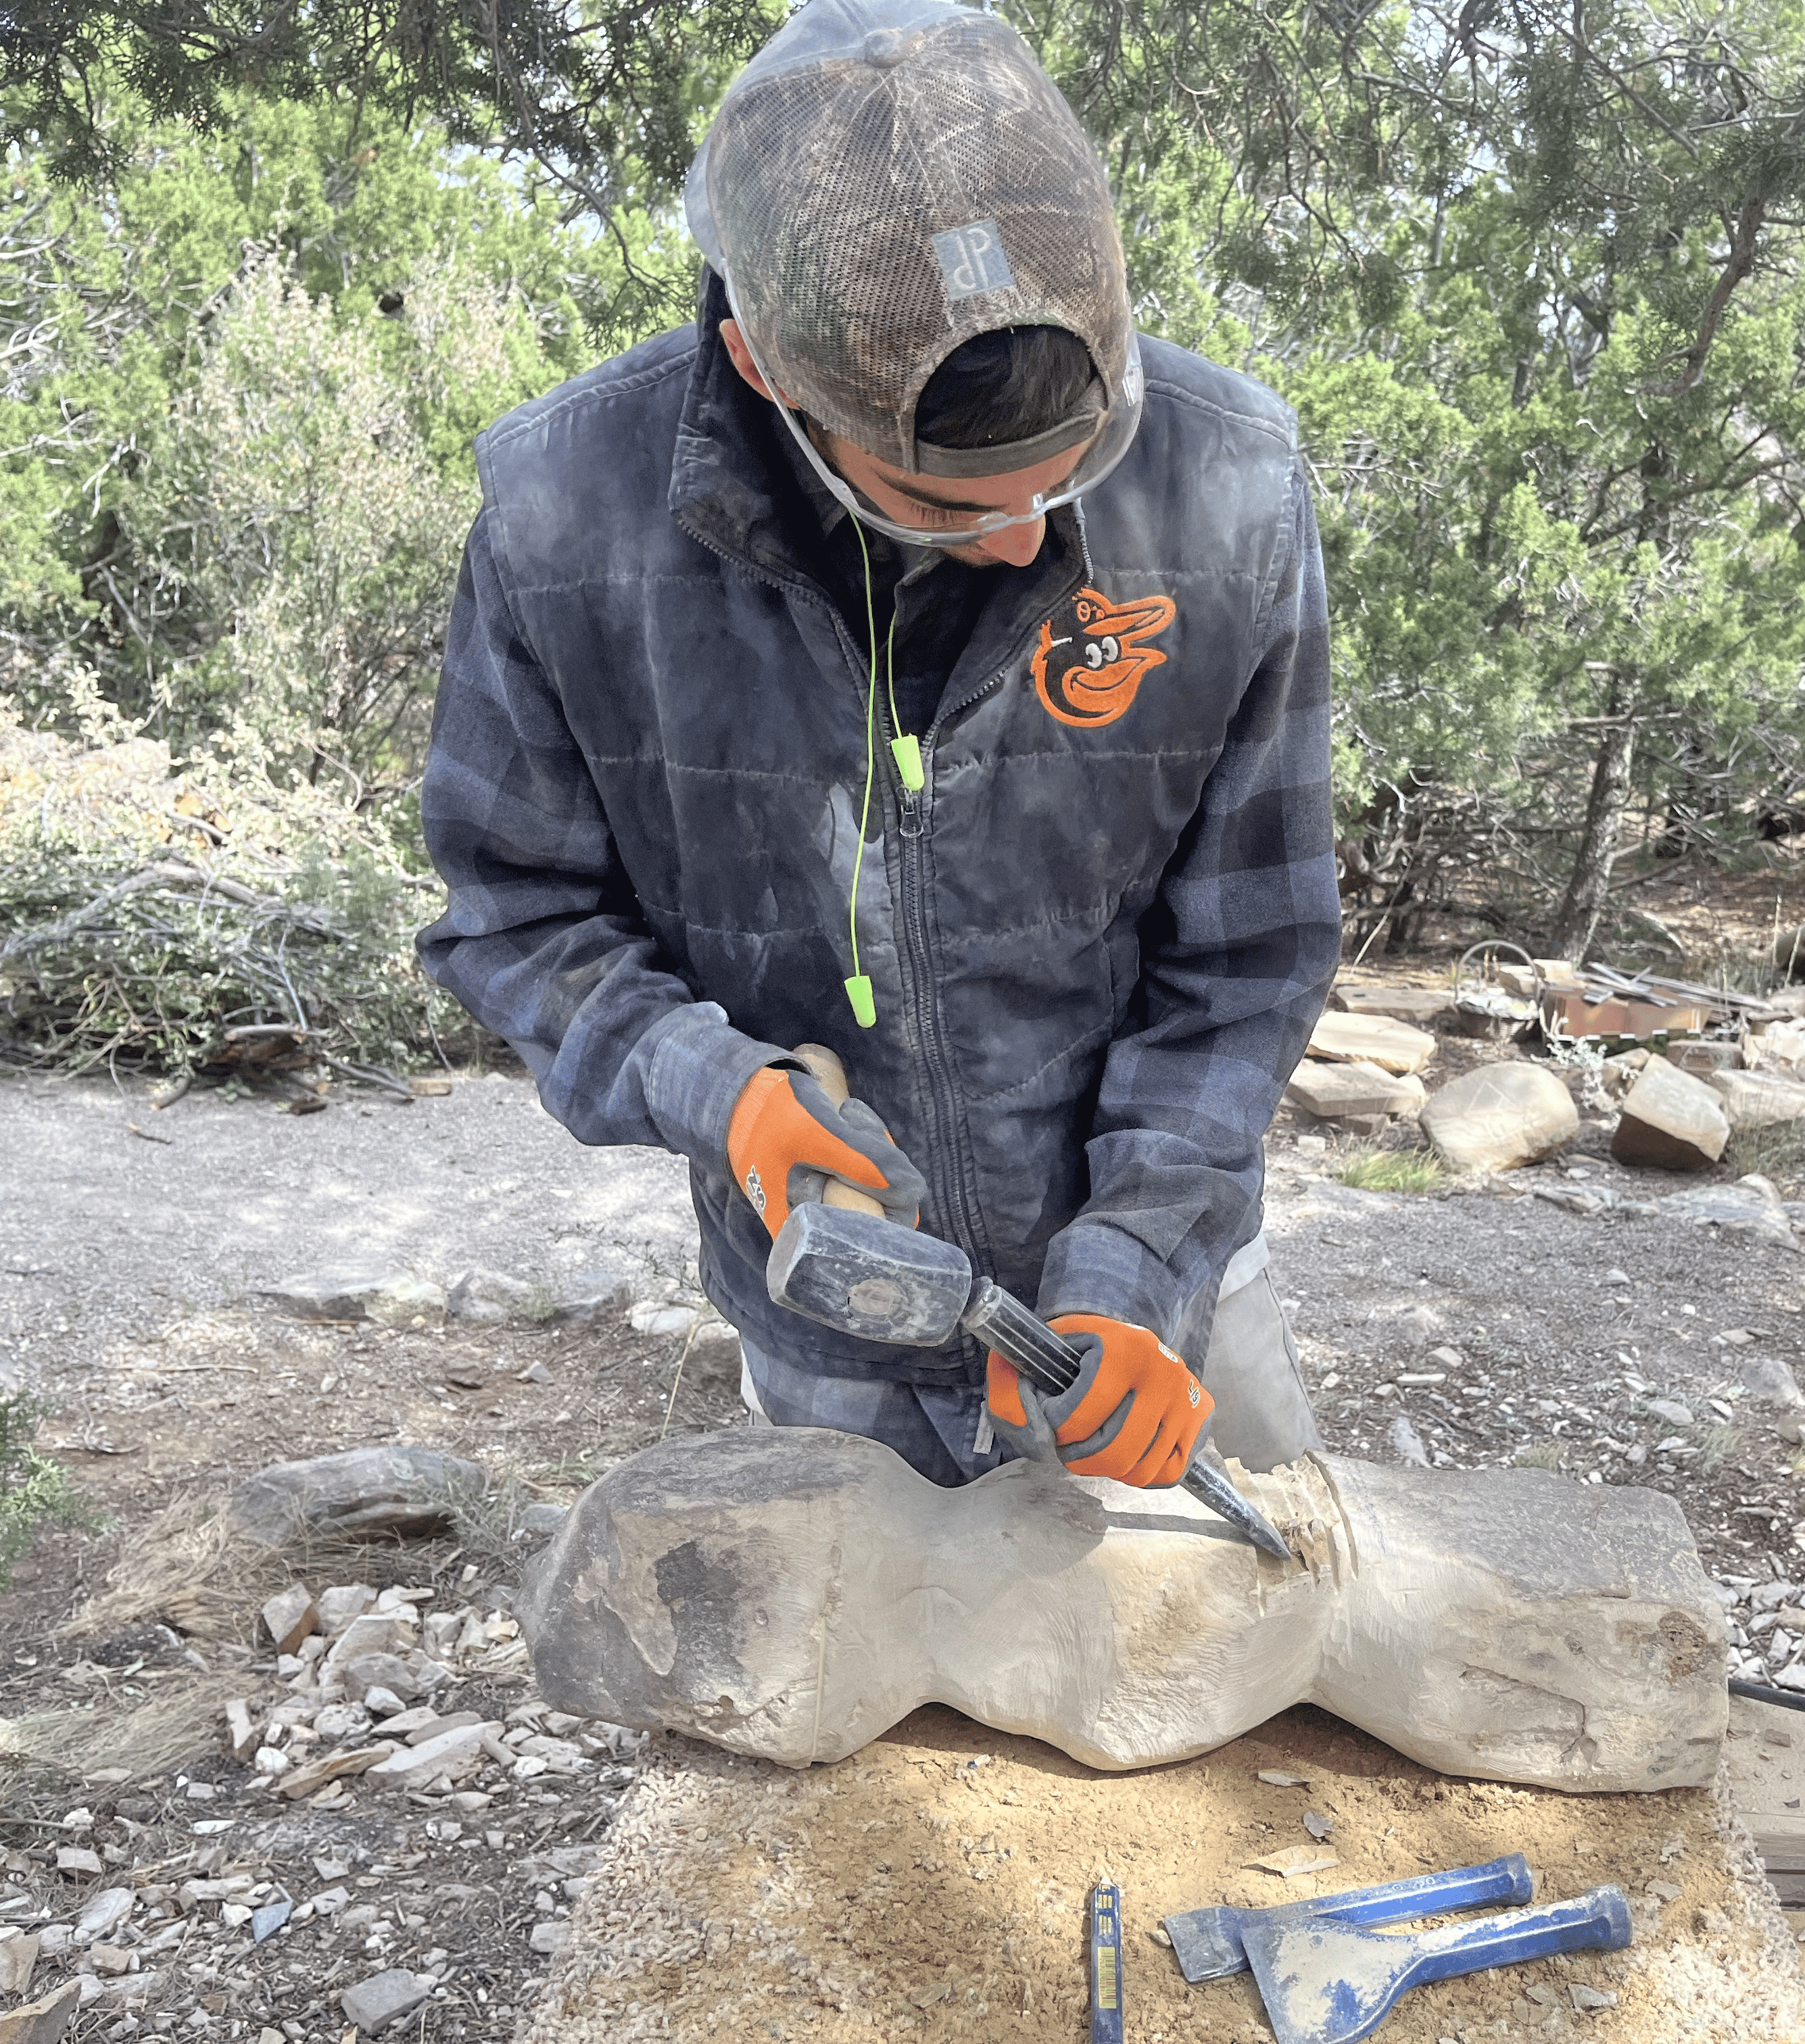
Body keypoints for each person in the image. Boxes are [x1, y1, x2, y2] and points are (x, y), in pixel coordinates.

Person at [417, 0, 1339, 1494]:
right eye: (951, 501)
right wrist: (721, 1092)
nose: (1034, 539)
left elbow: (1250, 954)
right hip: (837, 1323)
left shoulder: (1230, 486)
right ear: (766, 370)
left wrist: (1141, 1262)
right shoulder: (562, 516)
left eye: (1072, 473)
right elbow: (513, 917)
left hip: (1168, 1322)